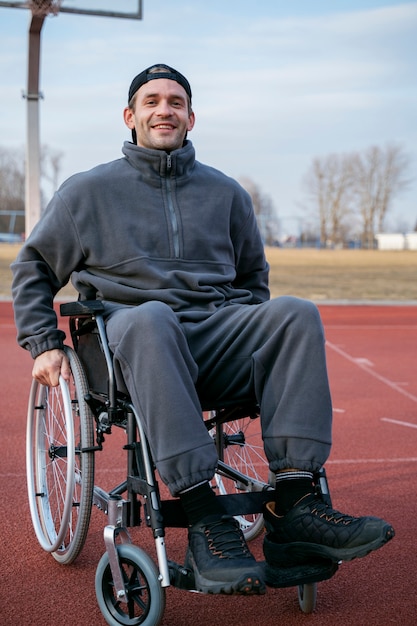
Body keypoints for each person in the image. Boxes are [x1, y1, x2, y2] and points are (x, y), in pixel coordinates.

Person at [12, 63, 394, 596]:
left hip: (211, 338)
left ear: (192, 117)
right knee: (151, 317)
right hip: (129, 341)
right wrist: (43, 342)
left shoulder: (227, 193)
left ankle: (298, 503)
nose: (163, 109)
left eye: (175, 102)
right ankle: (203, 516)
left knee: (295, 312)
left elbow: (253, 281)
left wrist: (244, 327)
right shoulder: (87, 193)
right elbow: (32, 268)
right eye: (151, 101)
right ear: (130, 116)